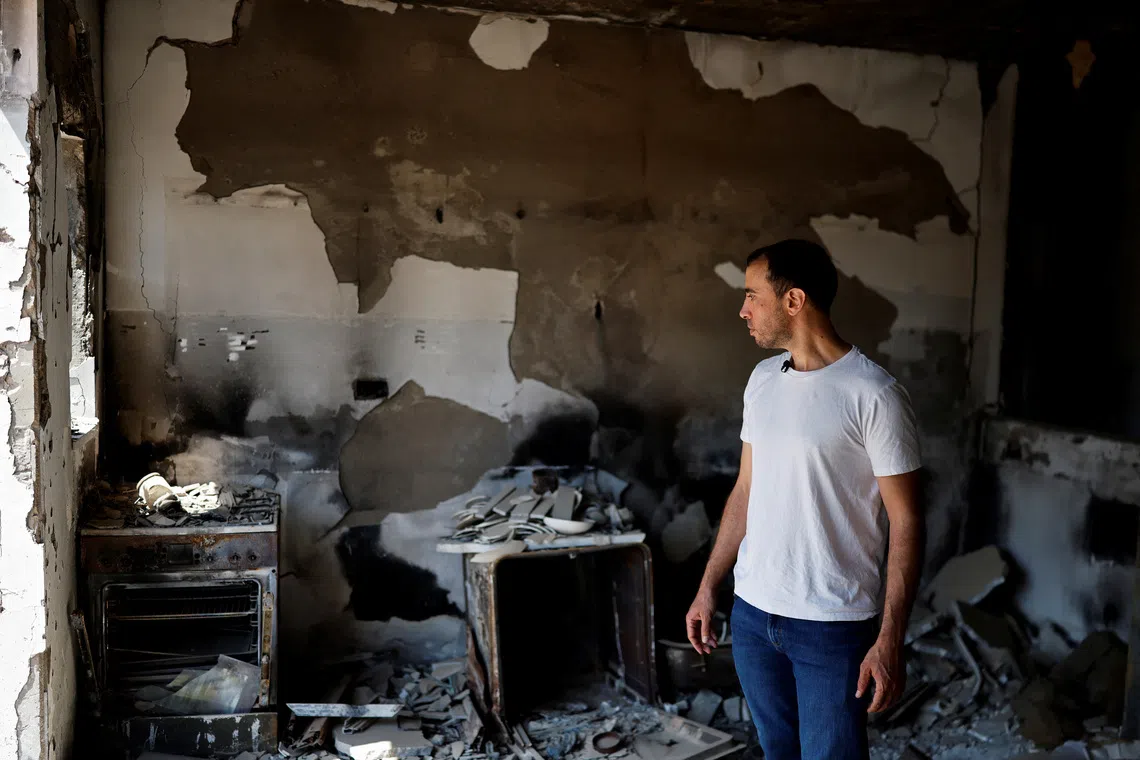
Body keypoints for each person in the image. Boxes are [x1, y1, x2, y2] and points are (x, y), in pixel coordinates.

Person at [684, 239, 924, 760]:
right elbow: (746, 490)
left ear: (793, 301)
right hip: (752, 616)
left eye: (752, 295)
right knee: (777, 754)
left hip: (832, 626)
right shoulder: (762, 380)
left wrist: (889, 639)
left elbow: (907, 523)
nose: (742, 309)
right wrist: (709, 586)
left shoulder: (874, 395)